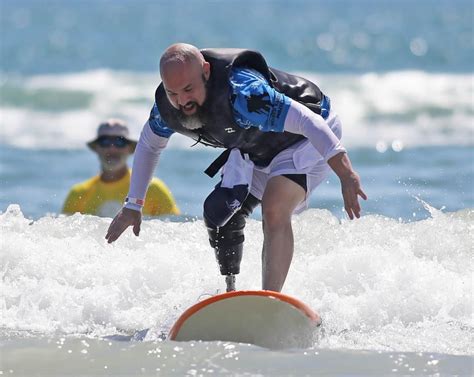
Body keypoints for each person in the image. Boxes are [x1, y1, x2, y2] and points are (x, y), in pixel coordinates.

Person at [106, 44, 367, 292]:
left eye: (188, 89)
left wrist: (345, 174)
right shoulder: (166, 107)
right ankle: (231, 294)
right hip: (252, 147)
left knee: (274, 208)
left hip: (305, 139)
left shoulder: (245, 94)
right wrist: (133, 205)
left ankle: (271, 301)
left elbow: (309, 123)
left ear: (206, 72)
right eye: (173, 93)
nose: (182, 101)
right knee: (220, 216)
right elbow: (150, 145)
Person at [63, 119, 180, 218]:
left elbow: (172, 233)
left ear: (130, 149)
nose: (112, 148)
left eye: (119, 141)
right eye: (105, 142)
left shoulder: (152, 188)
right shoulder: (78, 194)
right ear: (96, 148)